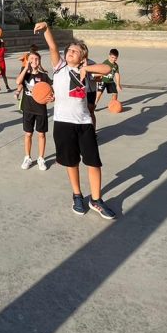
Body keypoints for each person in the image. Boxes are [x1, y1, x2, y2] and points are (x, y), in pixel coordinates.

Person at [34, 21, 118, 219]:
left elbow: (108, 70)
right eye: (69, 50)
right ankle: (77, 195)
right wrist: (47, 30)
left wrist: (86, 69)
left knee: (93, 163)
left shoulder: (86, 72)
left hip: (84, 123)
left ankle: (96, 200)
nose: (70, 52)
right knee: (72, 162)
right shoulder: (59, 68)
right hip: (63, 122)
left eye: (75, 51)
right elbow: (53, 47)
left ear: (83, 57)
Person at [15, 49, 53, 170]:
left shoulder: (44, 76)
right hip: (28, 108)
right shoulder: (25, 72)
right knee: (28, 134)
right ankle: (27, 157)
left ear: (39, 61)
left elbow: (52, 90)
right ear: (28, 60)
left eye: (36, 59)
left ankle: (41, 158)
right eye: (31, 59)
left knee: (41, 134)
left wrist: (52, 97)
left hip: (40, 109)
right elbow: (18, 81)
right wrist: (26, 68)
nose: (34, 61)